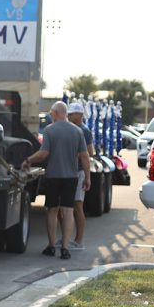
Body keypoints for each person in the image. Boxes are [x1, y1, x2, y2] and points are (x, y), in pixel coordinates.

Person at [23, 101, 90, 260]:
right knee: (68, 211)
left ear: (56, 113)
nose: (50, 116)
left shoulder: (49, 130)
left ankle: (52, 246)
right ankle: (65, 248)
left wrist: (28, 160)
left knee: (52, 210)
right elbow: (85, 156)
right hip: (71, 177)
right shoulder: (77, 131)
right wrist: (87, 177)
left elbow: (43, 153)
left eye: (52, 113)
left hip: (53, 176)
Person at [67, 102, 95, 250]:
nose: (70, 116)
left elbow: (90, 153)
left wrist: (73, 153)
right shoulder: (71, 129)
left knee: (78, 206)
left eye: (72, 114)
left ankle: (79, 241)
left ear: (79, 115)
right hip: (69, 171)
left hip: (79, 172)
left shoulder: (84, 131)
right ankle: (67, 238)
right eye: (69, 114)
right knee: (66, 207)